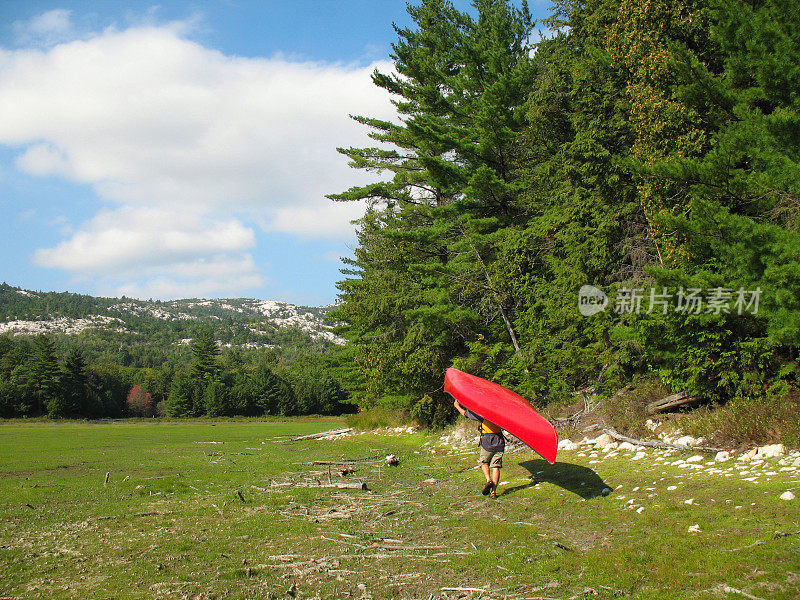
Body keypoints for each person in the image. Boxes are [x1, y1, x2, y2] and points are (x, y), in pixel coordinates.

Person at [453, 399, 505, 498]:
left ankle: (488, 480)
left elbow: (465, 413)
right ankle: (493, 492)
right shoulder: (501, 415)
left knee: (484, 462)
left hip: (487, 441)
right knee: (496, 466)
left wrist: (457, 406)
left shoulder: (484, 415)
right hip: (499, 441)